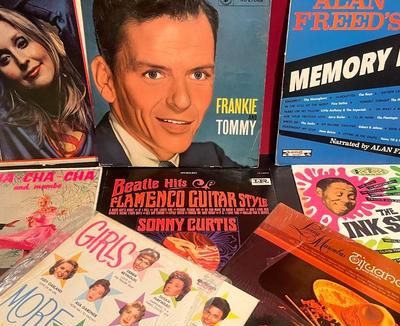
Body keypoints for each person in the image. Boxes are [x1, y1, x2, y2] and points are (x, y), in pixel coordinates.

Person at [91, 0, 239, 167]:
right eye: (153, 74)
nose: (182, 101)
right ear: (106, 80)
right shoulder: (83, 163)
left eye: (198, 75)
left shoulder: (213, 159)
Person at [0, 5, 93, 161]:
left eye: (22, 43)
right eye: (4, 59)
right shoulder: (8, 122)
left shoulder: (92, 91)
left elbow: (64, 10)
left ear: (41, 37)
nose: (21, 61)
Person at [0, 195, 66, 258]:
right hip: (39, 233)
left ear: (48, 202)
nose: (41, 204)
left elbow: (58, 213)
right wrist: (30, 220)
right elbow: (31, 224)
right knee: (26, 244)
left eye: (44, 202)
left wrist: (62, 212)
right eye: (40, 202)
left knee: (52, 246)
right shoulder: (36, 213)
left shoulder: (53, 209)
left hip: (49, 231)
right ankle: (23, 261)